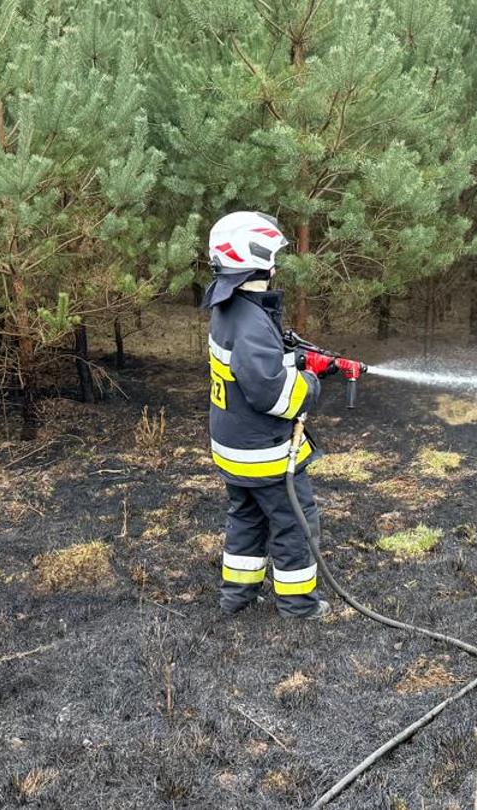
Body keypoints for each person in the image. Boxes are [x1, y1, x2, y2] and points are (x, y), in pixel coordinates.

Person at [202, 211, 340, 619]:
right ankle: (299, 606)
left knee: (246, 518)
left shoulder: (228, 306)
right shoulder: (250, 322)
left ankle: (237, 597)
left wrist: (296, 358)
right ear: (255, 258)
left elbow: (251, 365)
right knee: (295, 524)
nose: (276, 264)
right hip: (264, 453)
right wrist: (310, 383)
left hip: (232, 447)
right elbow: (271, 394)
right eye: (272, 255)